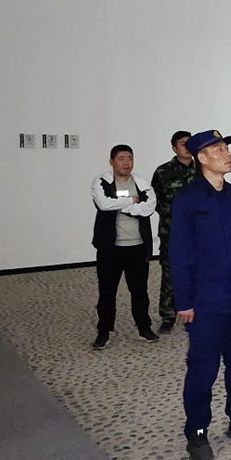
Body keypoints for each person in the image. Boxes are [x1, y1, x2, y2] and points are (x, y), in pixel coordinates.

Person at [169, 129, 231, 460]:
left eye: (227, 149)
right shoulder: (187, 200)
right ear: (202, 158)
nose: (227, 154)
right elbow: (179, 253)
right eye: (219, 150)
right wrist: (183, 301)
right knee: (203, 368)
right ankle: (197, 431)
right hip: (206, 302)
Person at [90, 144, 159, 350]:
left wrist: (125, 206)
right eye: (121, 158)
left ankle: (144, 327)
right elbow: (103, 204)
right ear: (112, 162)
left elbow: (149, 206)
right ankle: (104, 331)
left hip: (137, 247)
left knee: (140, 292)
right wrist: (131, 200)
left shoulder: (141, 183)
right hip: (110, 248)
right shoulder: (102, 182)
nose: (126, 162)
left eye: (129, 158)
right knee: (107, 292)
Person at [151, 130, 196, 333]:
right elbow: (155, 201)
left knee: (199, 271)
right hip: (171, 231)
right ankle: (168, 315)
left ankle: (197, 310)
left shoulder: (203, 169)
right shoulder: (163, 172)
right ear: (174, 148)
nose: (187, 147)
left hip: (198, 232)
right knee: (170, 272)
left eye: (189, 143)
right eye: (182, 143)